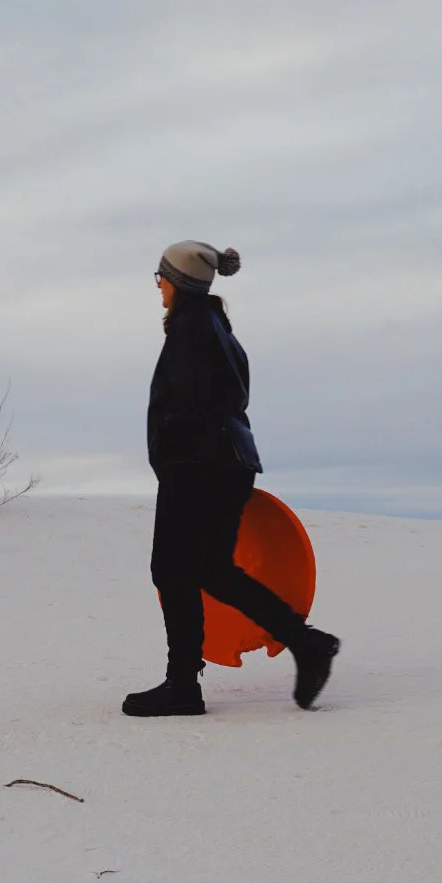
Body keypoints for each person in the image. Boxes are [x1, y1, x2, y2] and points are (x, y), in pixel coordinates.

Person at [123, 239, 340, 717]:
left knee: (173, 570)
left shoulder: (191, 326)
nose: (156, 286)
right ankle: (307, 644)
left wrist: (168, 451)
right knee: (212, 571)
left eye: (159, 276)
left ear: (177, 281)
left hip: (198, 465)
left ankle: (182, 686)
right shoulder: (218, 326)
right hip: (229, 462)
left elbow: (191, 402)